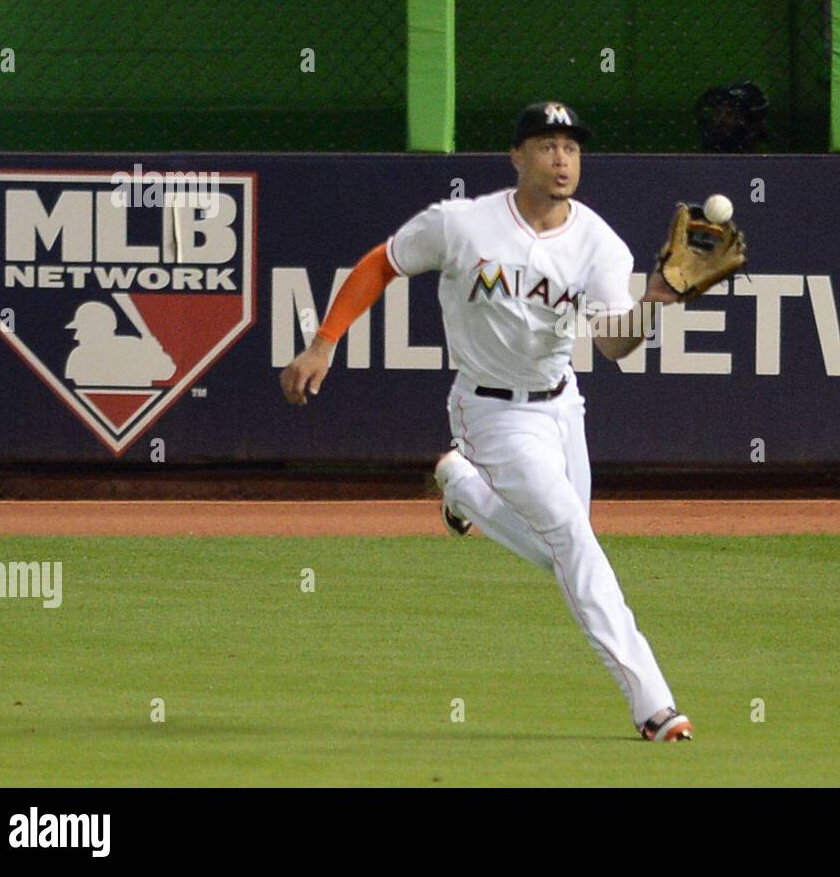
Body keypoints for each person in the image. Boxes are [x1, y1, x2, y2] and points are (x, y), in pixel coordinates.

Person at [279, 101, 694, 742]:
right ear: (517, 156)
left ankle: (462, 487)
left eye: (572, 147)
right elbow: (381, 263)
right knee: (575, 544)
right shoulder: (463, 224)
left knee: (564, 551)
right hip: (490, 410)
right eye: (547, 144)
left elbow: (613, 345)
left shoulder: (598, 242)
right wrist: (324, 342)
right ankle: (653, 704)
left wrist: (653, 304)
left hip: (563, 405)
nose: (562, 158)